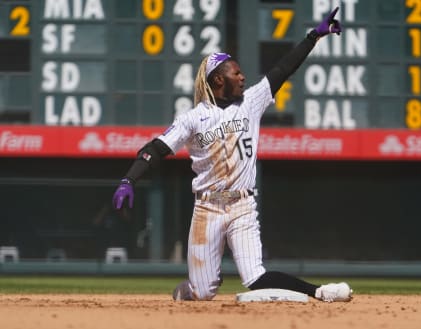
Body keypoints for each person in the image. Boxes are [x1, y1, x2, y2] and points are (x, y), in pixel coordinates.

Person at [112, 7, 352, 302]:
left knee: (255, 276)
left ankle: (320, 292)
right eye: (235, 72)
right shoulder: (193, 118)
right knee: (202, 292)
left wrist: (313, 36)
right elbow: (155, 149)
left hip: (242, 205)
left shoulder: (251, 101)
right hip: (207, 209)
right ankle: (191, 287)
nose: (242, 76)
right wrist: (128, 180)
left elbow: (283, 69)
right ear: (217, 81)